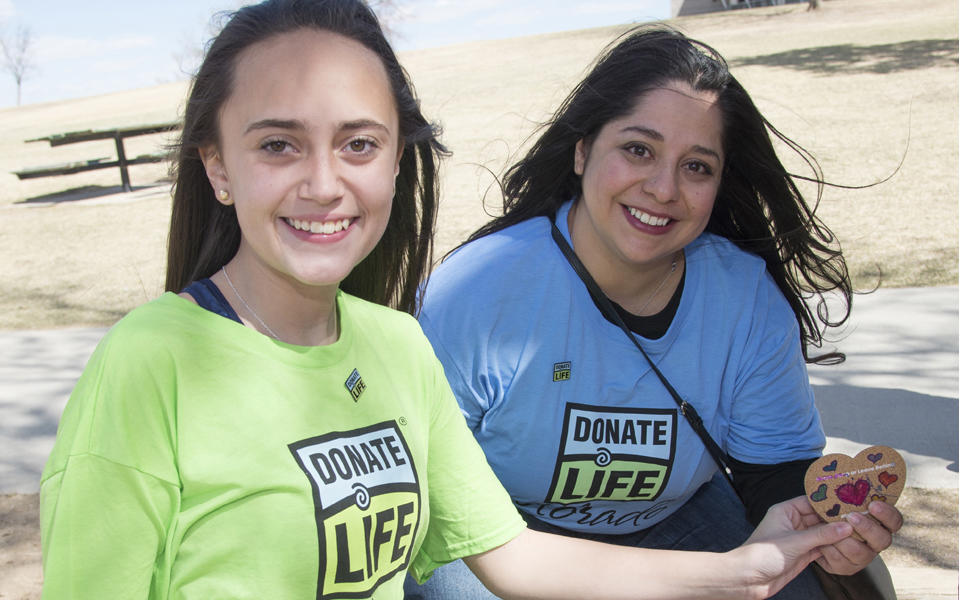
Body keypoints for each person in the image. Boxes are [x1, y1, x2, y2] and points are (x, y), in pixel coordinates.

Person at [39, 3, 856, 599]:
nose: (324, 184)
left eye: (359, 144)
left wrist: (737, 572)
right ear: (218, 166)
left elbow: (514, 556)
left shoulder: (397, 346)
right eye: (279, 144)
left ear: (396, 163)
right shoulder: (149, 364)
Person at [407, 25, 903, 600]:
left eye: (697, 166)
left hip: (669, 520)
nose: (664, 188)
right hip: (497, 533)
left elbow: (776, 472)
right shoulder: (477, 292)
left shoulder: (744, 297)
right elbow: (431, 493)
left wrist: (829, 532)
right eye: (638, 149)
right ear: (583, 149)